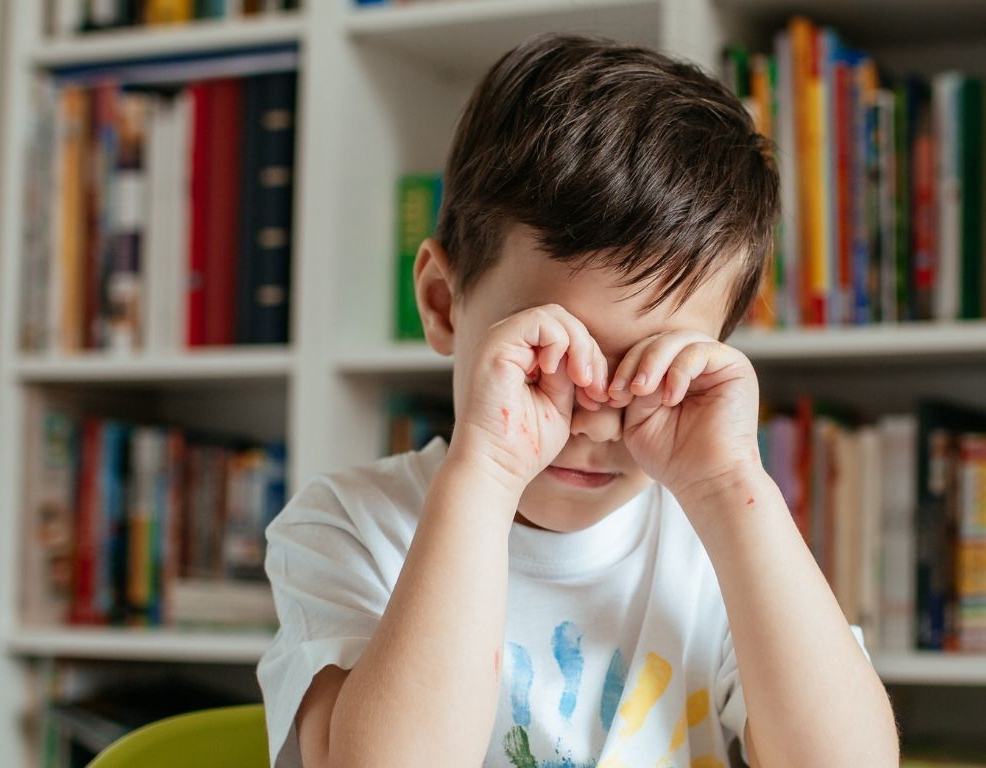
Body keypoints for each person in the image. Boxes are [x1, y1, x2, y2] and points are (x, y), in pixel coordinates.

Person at [255, 33, 899, 768]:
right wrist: (488, 472)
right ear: (442, 303)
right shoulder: (347, 529)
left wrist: (730, 488)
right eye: (548, 358)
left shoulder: (720, 549)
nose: (595, 417)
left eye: (651, 369)